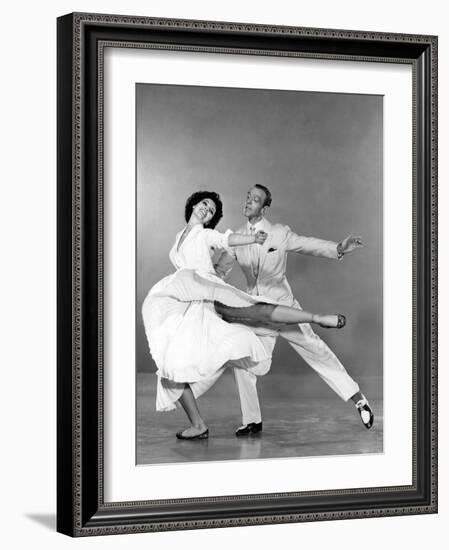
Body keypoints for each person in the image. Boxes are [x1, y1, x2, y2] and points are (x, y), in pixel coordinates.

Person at [142, 191, 346, 440]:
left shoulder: (205, 234)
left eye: (212, 211)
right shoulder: (178, 238)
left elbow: (226, 239)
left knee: (255, 307)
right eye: (205, 204)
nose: (207, 210)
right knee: (169, 368)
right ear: (194, 204)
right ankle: (198, 425)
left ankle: (317, 318)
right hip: (187, 301)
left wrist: (251, 238)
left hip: (208, 295)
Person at [213, 185, 374, 435]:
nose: (248, 202)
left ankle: (359, 400)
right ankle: (252, 420)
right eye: (248, 197)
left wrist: (339, 248)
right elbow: (220, 271)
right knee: (243, 360)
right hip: (257, 314)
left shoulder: (279, 233)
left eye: (255, 200)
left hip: (285, 309)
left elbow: (307, 245)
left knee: (318, 352)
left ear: (264, 208)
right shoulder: (237, 238)